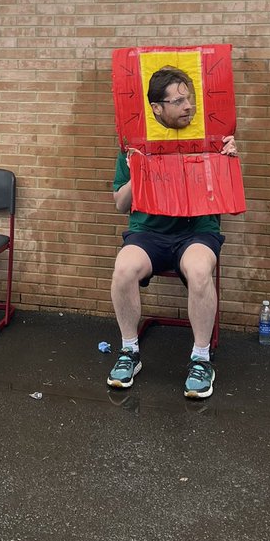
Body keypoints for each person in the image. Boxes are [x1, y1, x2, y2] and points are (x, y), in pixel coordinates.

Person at [106, 66, 238, 401]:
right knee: (123, 269)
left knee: (198, 269)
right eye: (178, 100)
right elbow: (121, 205)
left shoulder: (212, 139)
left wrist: (228, 161)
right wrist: (141, 169)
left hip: (197, 231)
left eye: (189, 98)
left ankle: (201, 359)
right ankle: (129, 352)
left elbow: (228, 195)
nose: (188, 106)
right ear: (157, 108)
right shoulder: (133, 145)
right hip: (149, 232)